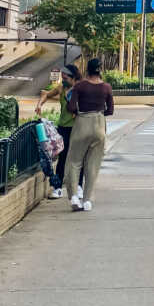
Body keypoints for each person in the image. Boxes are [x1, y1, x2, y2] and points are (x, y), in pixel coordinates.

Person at [66, 58, 114, 212]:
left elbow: (72, 107)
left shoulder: (80, 86)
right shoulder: (106, 87)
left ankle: (74, 196)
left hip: (82, 122)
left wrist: (76, 111)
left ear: (87, 69)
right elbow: (110, 110)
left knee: (74, 161)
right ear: (101, 70)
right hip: (99, 124)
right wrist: (99, 113)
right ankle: (87, 200)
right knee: (93, 165)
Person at [36, 62, 81, 199]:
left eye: (66, 78)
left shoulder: (80, 89)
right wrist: (39, 104)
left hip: (77, 127)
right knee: (62, 157)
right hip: (63, 127)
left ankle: (78, 186)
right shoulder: (61, 88)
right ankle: (58, 188)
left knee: (78, 158)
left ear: (73, 77)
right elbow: (46, 94)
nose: (64, 80)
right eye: (62, 78)